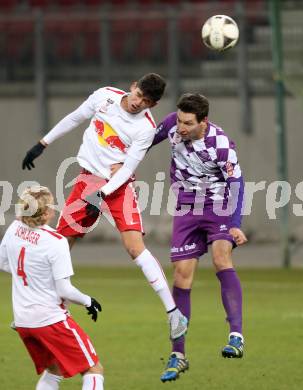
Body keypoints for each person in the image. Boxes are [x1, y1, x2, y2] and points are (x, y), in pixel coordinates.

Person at [21, 73, 187, 341]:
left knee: (135, 248)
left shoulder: (145, 127)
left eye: (145, 101)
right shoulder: (104, 96)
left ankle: (173, 313)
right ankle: (42, 307)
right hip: (87, 181)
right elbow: (75, 117)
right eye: (138, 94)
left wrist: (103, 194)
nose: (138, 102)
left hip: (117, 187)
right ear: (133, 86)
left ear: (152, 105)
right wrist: (43, 143)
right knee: (61, 245)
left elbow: (128, 169)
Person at [150, 93, 247, 382]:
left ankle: (236, 336)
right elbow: (142, 143)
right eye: (179, 120)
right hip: (186, 208)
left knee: (221, 258)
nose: (180, 127)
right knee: (181, 276)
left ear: (203, 122)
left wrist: (235, 224)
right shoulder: (171, 125)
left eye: (187, 123)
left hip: (218, 206)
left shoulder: (220, 144)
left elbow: (237, 183)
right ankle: (178, 355)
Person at [0, 186, 103, 389]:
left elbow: (3, 263)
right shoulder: (56, 241)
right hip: (50, 320)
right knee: (93, 369)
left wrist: (31, 275)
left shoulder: (14, 228)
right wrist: (88, 301)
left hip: (23, 321)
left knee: (54, 369)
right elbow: (64, 290)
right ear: (46, 213)